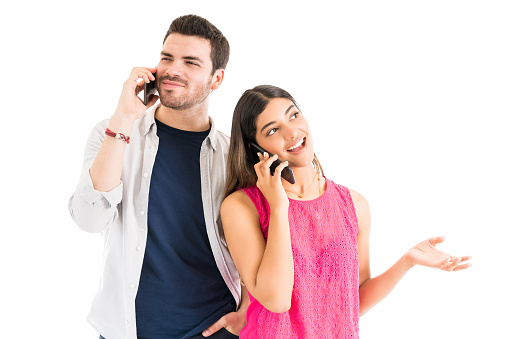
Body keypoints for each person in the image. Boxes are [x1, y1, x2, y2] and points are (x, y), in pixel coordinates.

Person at [220, 85, 472, 338]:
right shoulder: (242, 208)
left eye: (293, 115)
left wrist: (407, 261)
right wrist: (278, 206)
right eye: (273, 130)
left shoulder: (354, 204)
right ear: (255, 147)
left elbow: (353, 302)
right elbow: (277, 301)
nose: (292, 131)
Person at [69, 15, 248, 339]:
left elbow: (259, 242)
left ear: (217, 78)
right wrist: (123, 119)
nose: (172, 70)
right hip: (125, 330)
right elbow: (89, 219)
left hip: (214, 328)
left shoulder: (232, 154)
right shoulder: (112, 132)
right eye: (167, 58)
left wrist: (248, 307)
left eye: (190, 62)